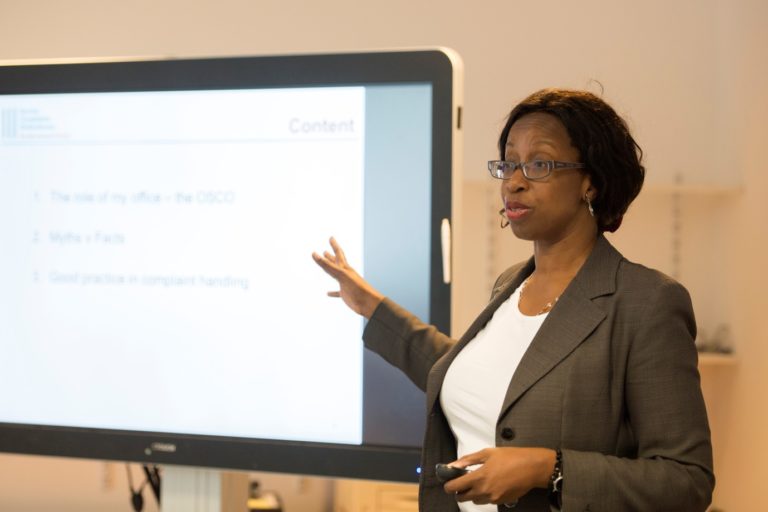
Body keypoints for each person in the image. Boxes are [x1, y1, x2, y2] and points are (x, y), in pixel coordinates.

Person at [312, 89, 714, 512]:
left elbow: (687, 480)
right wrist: (370, 306)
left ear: (590, 182)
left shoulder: (646, 302)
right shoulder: (510, 284)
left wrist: (549, 469)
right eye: (508, 163)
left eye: (539, 163)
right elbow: (478, 380)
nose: (515, 181)